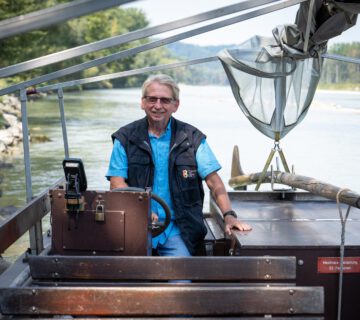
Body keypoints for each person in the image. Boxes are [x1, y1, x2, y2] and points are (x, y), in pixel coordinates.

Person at [106, 74, 251, 256]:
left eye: (165, 100)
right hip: (135, 227)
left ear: (176, 105)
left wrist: (229, 215)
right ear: (143, 103)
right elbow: (117, 184)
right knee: (134, 278)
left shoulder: (192, 138)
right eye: (152, 99)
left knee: (181, 281)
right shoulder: (125, 138)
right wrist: (141, 208)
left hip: (178, 230)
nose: (158, 105)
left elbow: (214, 183)